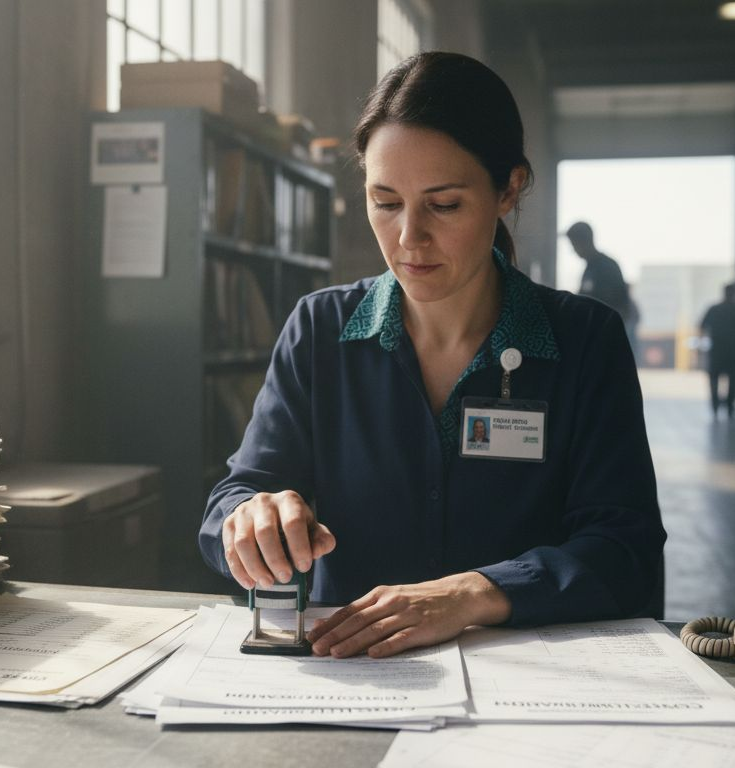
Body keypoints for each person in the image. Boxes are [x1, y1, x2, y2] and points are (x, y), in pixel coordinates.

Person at [198, 52, 665, 660]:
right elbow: (234, 500)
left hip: (529, 680)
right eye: (385, 202)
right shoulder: (320, 329)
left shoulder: (584, 340)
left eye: (444, 205)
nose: (408, 238)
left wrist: (473, 593)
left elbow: (624, 548)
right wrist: (249, 520)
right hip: (356, 676)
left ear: (509, 188)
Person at [699, 283, 735, 420]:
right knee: (733, 381)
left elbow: (702, 326)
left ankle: (715, 408)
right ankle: (729, 409)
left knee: (714, 380)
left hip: (717, 350)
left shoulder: (714, 309)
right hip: (732, 351)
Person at [566, 221, 632, 322]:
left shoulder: (606, 267)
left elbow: (611, 304)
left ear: (583, 242)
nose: (574, 250)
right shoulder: (590, 269)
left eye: (574, 245)